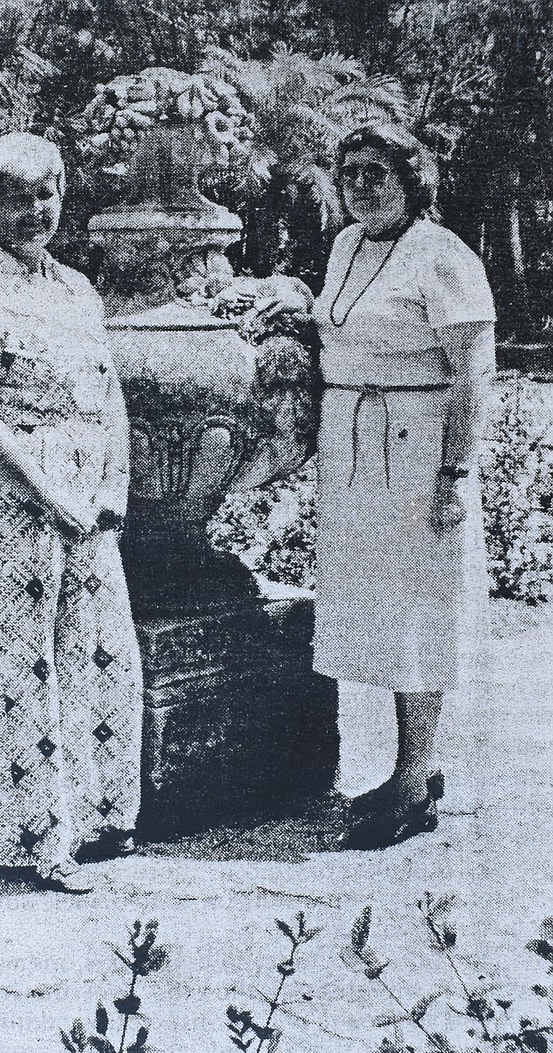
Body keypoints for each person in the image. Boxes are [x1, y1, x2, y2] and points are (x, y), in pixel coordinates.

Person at [0, 132, 142, 894]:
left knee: (100, 650)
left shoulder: (79, 289)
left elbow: (110, 393)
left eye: (45, 193)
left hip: (89, 499)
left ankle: (99, 817)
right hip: (14, 494)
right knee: (31, 662)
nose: (33, 210)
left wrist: (111, 494)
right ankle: (38, 841)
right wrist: (49, 495)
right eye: (15, 196)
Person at [310, 123, 496, 848]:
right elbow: (337, 328)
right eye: (349, 172)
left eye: (375, 173)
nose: (360, 185)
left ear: (411, 180)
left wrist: (454, 474)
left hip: (420, 453)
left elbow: (474, 376)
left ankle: (416, 786)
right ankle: (408, 768)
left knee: (420, 614)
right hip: (357, 454)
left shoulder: (444, 256)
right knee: (384, 619)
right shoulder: (347, 246)